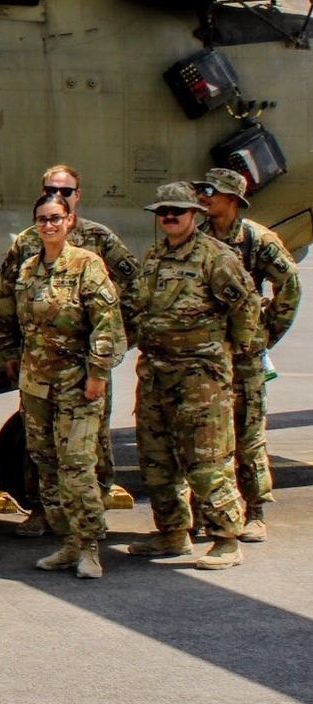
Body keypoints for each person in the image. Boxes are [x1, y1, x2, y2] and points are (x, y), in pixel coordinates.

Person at [0, 164, 139, 536]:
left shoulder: (96, 245)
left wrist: (105, 359)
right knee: (40, 445)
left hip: (82, 368)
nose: (51, 219)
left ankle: (92, 515)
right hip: (39, 367)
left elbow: (130, 291)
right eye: (50, 191)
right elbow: (9, 300)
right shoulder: (27, 252)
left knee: (87, 448)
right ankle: (44, 511)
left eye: (66, 192)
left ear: (76, 201)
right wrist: (10, 351)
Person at [126, 181, 259, 570]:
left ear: (195, 215)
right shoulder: (154, 257)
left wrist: (228, 354)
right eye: (163, 211)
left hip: (199, 377)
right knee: (156, 460)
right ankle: (171, 533)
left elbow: (245, 310)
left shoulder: (216, 258)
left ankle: (226, 538)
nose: (169, 217)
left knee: (206, 460)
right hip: (155, 374)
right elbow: (138, 308)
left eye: (177, 211)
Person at [197, 167, 302, 543]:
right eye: (202, 189)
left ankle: (255, 510)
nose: (203, 196)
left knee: (248, 432)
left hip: (244, 351)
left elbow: (288, 283)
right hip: (210, 351)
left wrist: (267, 331)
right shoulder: (199, 235)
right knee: (208, 433)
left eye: (211, 190)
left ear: (232, 199)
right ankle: (208, 510)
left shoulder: (256, 239)